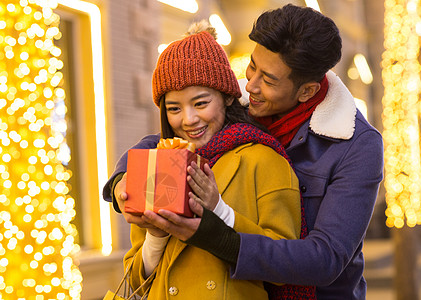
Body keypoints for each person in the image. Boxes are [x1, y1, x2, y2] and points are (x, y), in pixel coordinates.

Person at [105, 4, 384, 299]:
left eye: (269, 79)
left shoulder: (355, 144)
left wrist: (216, 229)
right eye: (253, 66)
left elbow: (324, 259)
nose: (250, 84)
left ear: (307, 91)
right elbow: (169, 136)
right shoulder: (238, 104)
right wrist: (122, 178)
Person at [121, 21, 311, 299]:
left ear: (227, 98)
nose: (188, 119)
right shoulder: (159, 164)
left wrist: (219, 210)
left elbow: (286, 266)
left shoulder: (263, 159)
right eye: (174, 108)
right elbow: (139, 279)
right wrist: (156, 236)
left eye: (200, 103)